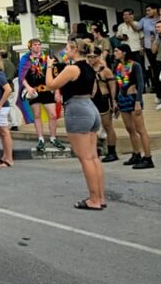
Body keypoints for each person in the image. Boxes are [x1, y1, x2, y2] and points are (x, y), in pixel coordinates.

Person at [46, 40, 106, 210]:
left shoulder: (72, 68)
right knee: (93, 156)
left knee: (85, 158)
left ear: (75, 49)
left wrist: (49, 67)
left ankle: (93, 199)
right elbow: (93, 90)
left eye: (68, 47)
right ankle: (100, 197)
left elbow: (51, 85)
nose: (66, 50)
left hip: (77, 109)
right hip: (90, 107)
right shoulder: (89, 67)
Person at [18, 39, 66, 152]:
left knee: (53, 115)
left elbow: (55, 75)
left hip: (47, 90)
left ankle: (53, 138)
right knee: (37, 115)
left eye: (39, 44)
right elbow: (21, 75)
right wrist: (28, 87)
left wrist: (58, 91)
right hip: (34, 91)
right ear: (30, 47)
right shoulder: (25, 59)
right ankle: (41, 139)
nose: (38, 46)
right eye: (35, 45)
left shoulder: (47, 58)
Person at [113, 45, 154, 169]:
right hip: (122, 98)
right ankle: (136, 153)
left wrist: (138, 101)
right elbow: (117, 84)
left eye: (117, 51)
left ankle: (148, 157)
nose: (114, 53)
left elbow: (141, 83)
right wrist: (115, 100)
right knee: (130, 128)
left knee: (140, 129)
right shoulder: (118, 66)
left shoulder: (135, 65)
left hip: (133, 97)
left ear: (124, 52)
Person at [88, 48, 118, 162]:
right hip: (91, 99)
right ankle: (94, 151)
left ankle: (112, 152)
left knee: (107, 126)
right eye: (89, 56)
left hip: (103, 99)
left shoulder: (105, 71)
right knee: (92, 127)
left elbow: (112, 86)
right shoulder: (87, 69)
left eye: (93, 56)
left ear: (99, 56)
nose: (91, 59)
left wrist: (113, 100)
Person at [135, 4, 159, 96]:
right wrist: (130, 21)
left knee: (160, 66)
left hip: (160, 46)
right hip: (149, 47)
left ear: (155, 10)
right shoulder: (144, 20)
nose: (147, 12)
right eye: (146, 11)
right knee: (153, 67)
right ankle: (156, 87)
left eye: (149, 10)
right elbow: (137, 28)